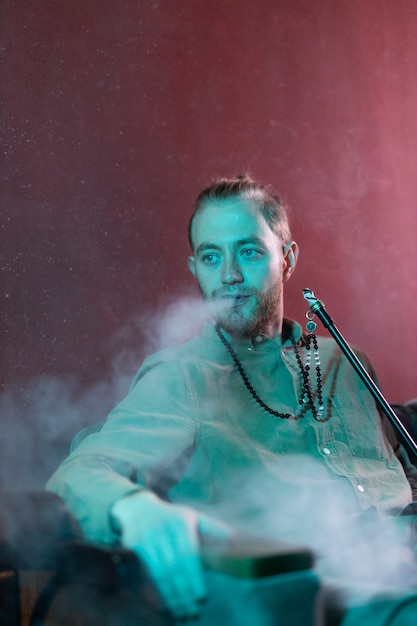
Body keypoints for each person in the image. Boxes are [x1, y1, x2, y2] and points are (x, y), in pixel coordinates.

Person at [46, 174, 417, 622]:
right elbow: (81, 471)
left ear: (287, 259)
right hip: (330, 591)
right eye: (210, 257)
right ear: (194, 269)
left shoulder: (346, 361)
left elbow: (399, 468)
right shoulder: (182, 377)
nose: (230, 276)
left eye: (248, 251)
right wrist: (133, 508)